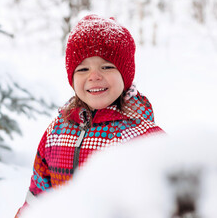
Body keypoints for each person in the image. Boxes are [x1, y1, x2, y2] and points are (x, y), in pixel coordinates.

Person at [15, 14, 164, 217]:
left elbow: (166, 203)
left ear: (125, 75)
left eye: (107, 66)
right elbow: (38, 197)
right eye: (83, 69)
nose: (94, 76)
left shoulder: (144, 138)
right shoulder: (57, 131)